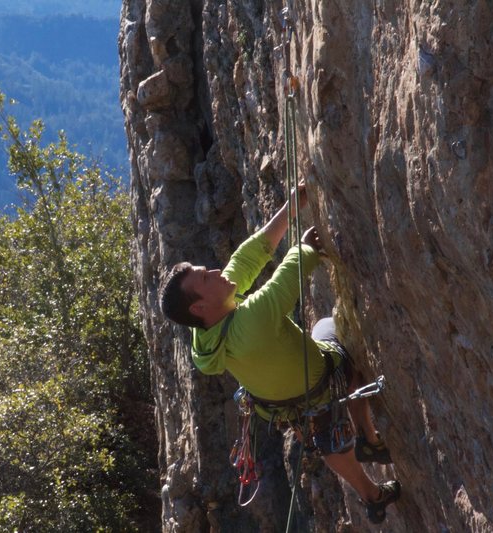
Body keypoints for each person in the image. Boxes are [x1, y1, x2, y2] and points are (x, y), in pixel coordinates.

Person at [158, 184, 401, 524]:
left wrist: (289, 209)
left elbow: (246, 259)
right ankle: (369, 437)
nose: (215, 272)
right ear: (199, 305)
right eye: (205, 277)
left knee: (322, 429)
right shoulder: (251, 321)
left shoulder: (206, 334)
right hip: (322, 378)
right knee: (335, 331)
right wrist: (305, 248)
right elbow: (283, 285)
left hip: (284, 405)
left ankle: (371, 494)